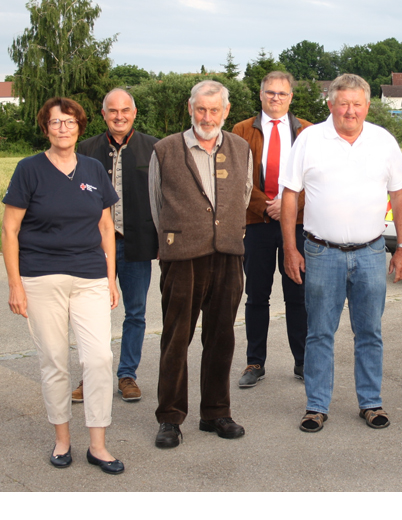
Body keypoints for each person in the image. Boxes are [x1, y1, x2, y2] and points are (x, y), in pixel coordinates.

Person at [280, 73, 402, 433]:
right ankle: (316, 406)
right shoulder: (309, 140)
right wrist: (290, 247)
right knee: (319, 332)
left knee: (369, 331)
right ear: (330, 104)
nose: (349, 111)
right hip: (321, 254)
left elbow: (399, 194)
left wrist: (401, 247)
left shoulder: (383, 141)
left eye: (357, 104)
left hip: (370, 253)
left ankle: (370, 403)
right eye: (343, 103)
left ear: (367, 106)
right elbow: (290, 194)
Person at [2, 97, 124, 474]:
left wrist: (111, 277)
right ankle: (62, 440)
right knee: (54, 360)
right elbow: (10, 229)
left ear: (79, 126)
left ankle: (98, 446)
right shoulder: (28, 170)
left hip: (89, 276)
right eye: (55, 123)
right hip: (40, 278)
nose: (63, 128)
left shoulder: (93, 168)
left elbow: (106, 227)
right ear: (46, 128)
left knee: (99, 358)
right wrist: (15, 285)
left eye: (69, 122)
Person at [148, 80, 252, 448]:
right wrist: (177, 239)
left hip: (227, 254)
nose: (207, 117)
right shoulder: (165, 150)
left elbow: (244, 194)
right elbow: (155, 205)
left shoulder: (240, 148)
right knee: (177, 339)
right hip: (182, 257)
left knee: (222, 336)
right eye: (200, 109)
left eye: (214, 110)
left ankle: (216, 412)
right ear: (190, 109)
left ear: (226, 111)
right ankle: (170, 417)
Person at [74, 88, 158, 403]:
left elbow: (162, 198)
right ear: (104, 114)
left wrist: (162, 241)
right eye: (113, 111)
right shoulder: (86, 149)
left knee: (135, 312)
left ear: (133, 113)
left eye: (125, 110)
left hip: (137, 244)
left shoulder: (154, 148)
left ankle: (127, 375)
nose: (119, 116)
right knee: (90, 314)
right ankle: (90, 376)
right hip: (93, 248)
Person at [232, 71, 312, 388]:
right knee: (256, 296)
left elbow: (316, 178)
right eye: (270, 93)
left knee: (298, 294)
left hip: (299, 225)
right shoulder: (240, 131)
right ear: (261, 95)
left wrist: (289, 205)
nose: (275, 98)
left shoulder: (308, 131)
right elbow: (236, 178)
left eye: (282, 93)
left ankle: (303, 361)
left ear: (291, 97)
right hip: (257, 223)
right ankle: (255, 362)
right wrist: (264, 205)